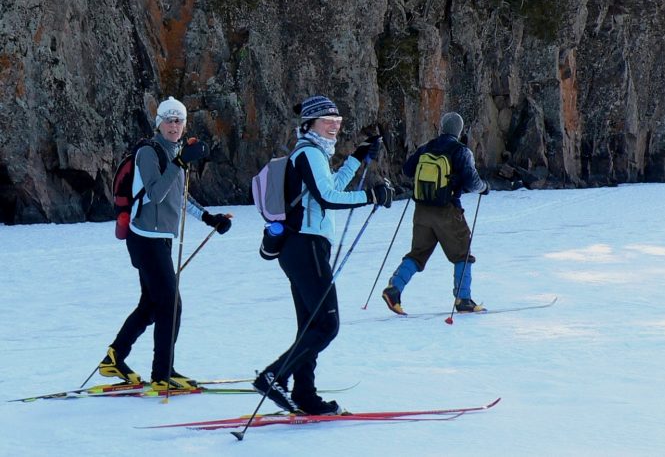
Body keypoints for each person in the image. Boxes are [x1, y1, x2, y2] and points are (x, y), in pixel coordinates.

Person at [252, 95, 393, 415]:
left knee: (311, 327)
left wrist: (357, 157)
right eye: (327, 122)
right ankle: (273, 376)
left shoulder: (311, 153)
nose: (334, 128)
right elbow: (328, 198)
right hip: (306, 246)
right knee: (327, 327)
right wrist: (372, 195)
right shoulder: (310, 153)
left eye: (338, 123)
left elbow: (332, 187)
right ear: (310, 124)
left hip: (299, 248)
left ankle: (305, 394)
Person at [98, 97, 231, 391]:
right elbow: (156, 194)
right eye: (169, 120)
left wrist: (210, 218)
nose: (174, 125)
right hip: (144, 238)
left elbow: (178, 197)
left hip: (161, 239)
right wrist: (180, 162)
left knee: (151, 304)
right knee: (171, 304)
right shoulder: (149, 151)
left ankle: (114, 358)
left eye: (179, 120)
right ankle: (163, 373)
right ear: (159, 123)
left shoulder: (175, 152)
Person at [381, 111, 489, 316]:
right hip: (447, 210)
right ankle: (463, 299)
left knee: (418, 254)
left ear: (441, 128)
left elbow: (407, 170)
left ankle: (394, 289)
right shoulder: (461, 151)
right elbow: (472, 181)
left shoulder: (426, 147)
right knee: (462, 253)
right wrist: (484, 188)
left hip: (421, 210)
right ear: (459, 130)